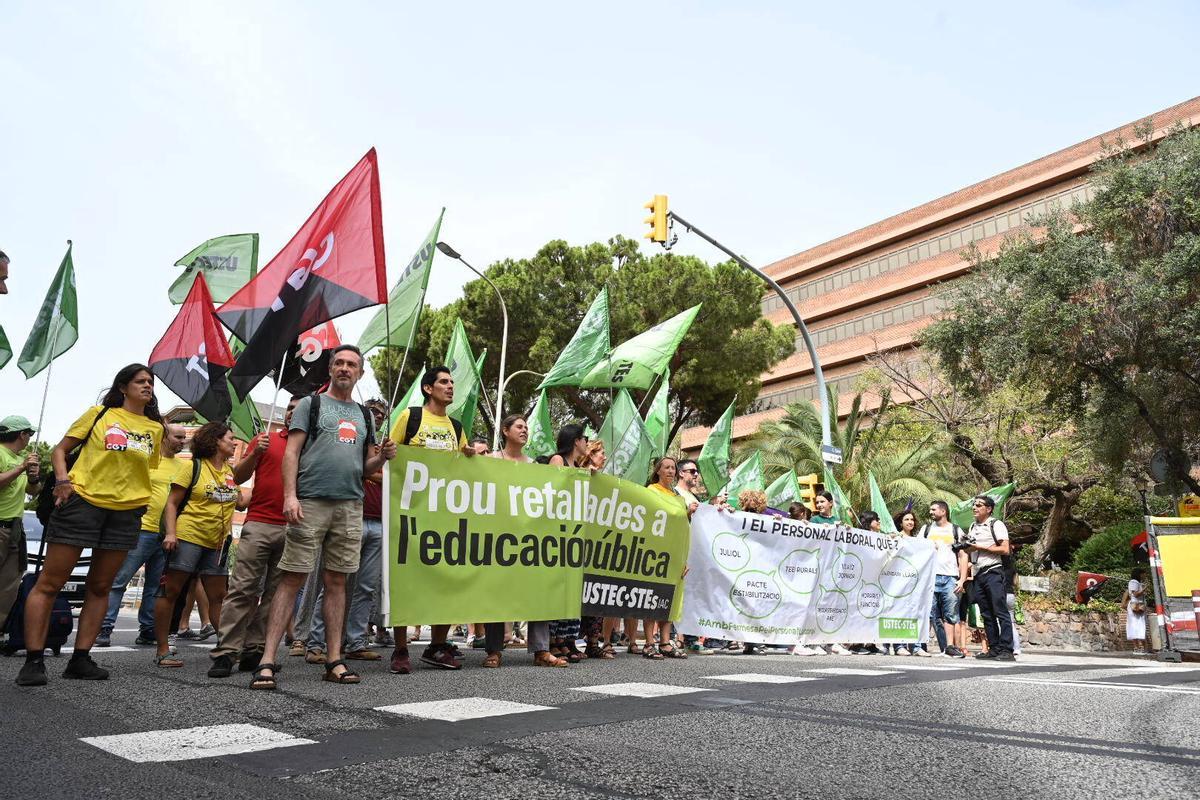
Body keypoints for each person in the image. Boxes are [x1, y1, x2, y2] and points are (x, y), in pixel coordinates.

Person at [249, 345, 396, 689]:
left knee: (337, 583)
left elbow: (365, 467)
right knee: (292, 578)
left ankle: (334, 660)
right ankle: (267, 660)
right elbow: (292, 453)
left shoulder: (363, 415)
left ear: (359, 373)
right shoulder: (312, 405)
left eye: (352, 365)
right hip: (311, 502)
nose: (345, 369)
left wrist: (383, 457)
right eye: (340, 363)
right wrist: (290, 495)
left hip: (350, 507)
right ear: (331, 369)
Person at [17, 364, 165, 687]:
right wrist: (62, 481)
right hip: (82, 503)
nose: (148, 386)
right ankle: (33, 660)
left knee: (100, 587)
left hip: (125, 514)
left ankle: (80, 658)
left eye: (151, 382)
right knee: (50, 582)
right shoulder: (99, 414)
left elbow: (142, 470)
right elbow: (60, 450)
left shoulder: (155, 429)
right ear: (123, 387)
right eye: (140, 381)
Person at [386, 365, 475, 674]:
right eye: (443, 382)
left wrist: (471, 456)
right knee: (406, 579)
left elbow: (461, 467)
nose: (450, 386)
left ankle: (437, 647)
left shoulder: (456, 426)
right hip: (409, 513)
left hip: (444, 517)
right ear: (428, 388)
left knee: (444, 580)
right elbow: (390, 459)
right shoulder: (410, 418)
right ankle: (400, 649)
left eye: (452, 382)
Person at [207, 396, 301, 678]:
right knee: (242, 589)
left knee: (275, 594)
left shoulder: (310, 447)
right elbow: (237, 477)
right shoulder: (265, 439)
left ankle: (255, 650)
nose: (293, 414)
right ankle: (226, 652)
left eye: (300, 410)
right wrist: (254, 454)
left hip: (294, 527)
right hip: (259, 523)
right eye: (290, 409)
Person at [306, 399, 388, 665]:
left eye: (380, 414)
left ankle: (356, 642)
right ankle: (316, 643)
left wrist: (378, 468)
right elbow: (360, 471)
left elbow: (389, 476)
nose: (376, 416)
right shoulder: (352, 438)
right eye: (372, 412)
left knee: (365, 587)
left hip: (379, 522)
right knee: (333, 583)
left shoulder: (384, 447)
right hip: (350, 515)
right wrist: (378, 471)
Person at [152, 422, 240, 667]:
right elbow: (171, 504)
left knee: (219, 596)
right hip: (188, 537)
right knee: (171, 591)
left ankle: (227, 647)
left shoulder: (229, 473)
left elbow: (240, 502)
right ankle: (162, 649)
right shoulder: (192, 467)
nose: (234, 443)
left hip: (218, 543)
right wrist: (171, 533)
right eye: (230, 439)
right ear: (215, 441)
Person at [96, 423, 187, 647]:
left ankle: (148, 630)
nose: (182, 441)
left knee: (155, 586)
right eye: (178, 437)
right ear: (164, 437)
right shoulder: (147, 459)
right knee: (119, 581)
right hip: (141, 529)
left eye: (184, 437)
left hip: (166, 534)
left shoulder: (183, 467)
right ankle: (104, 628)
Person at [490, 413, 566, 668]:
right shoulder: (489, 461)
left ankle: (541, 650)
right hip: (498, 535)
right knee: (494, 591)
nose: (524, 430)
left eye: (526, 427)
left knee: (537, 589)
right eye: (519, 426)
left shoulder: (535, 466)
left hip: (528, 538)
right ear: (505, 431)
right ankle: (494, 649)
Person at [548, 425, 591, 662]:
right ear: (575, 441)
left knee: (572, 589)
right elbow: (555, 490)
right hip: (559, 532)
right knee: (558, 586)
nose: (587, 443)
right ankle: (553, 640)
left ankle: (568, 639)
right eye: (585, 439)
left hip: (575, 534)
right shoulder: (558, 460)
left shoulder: (580, 468)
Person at [642, 456, 687, 660]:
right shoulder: (651, 491)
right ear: (658, 471)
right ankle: (649, 643)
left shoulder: (678, 496)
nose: (671, 471)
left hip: (674, 552)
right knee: (652, 595)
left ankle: (665, 641)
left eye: (673, 468)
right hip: (655, 550)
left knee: (670, 597)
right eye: (667, 467)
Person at [0, 416, 42, 630]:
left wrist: (33, 477)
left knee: (9, 585)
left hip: (15, 529)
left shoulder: (23, 458)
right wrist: (20, 468)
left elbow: (32, 492)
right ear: (22, 434)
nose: (30, 439)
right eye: (29, 434)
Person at [965, 495, 1014, 661]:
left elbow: (1005, 549)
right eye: (974, 505)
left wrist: (978, 546)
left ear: (989, 509)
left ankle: (1007, 650)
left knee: (1000, 611)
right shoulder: (972, 526)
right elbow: (972, 550)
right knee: (986, 613)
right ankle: (994, 648)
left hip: (993, 571)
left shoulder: (996, 524)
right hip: (978, 573)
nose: (975, 508)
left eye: (979, 505)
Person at [919, 501, 967, 659]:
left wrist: (962, 579)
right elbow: (915, 548)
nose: (931, 512)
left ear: (943, 510)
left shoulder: (955, 530)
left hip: (950, 577)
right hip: (930, 577)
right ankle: (930, 647)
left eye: (933, 509)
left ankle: (950, 647)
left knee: (950, 614)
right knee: (931, 614)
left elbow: (963, 555)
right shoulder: (926, 529)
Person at [1125, 567, 1148, 654]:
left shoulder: (1136, 582)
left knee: (1136, 626)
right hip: (1136, 606)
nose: (1144, 575)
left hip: (1138, 606)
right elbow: (1135, 594)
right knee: (1136, 626)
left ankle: (1139, 647)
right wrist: (1145, 588)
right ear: (1139, 574)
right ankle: (1138, 647)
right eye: (1143, 573)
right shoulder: (1134, 582)